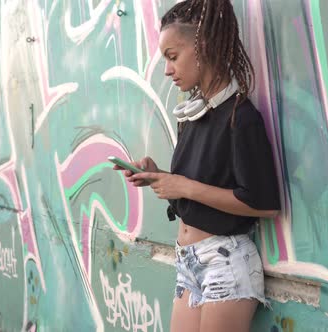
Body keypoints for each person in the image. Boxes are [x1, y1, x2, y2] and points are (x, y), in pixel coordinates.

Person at [113, 1, 281, 331]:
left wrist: (183, 186)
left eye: (172, 57)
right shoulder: (192, 117)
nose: (167, 70)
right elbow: (196, 193)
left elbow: (264, 203)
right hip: (188, 262)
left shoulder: (241, 118)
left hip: (226, 262)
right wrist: (159, 176)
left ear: (203, 46)